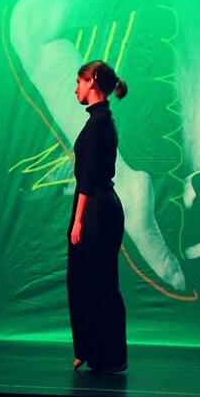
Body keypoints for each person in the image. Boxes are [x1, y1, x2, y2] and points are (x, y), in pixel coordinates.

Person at [68, 60, 128, 374]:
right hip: (99, 207)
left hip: (97, 209)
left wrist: (78, 220)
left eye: (78, 82)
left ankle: (110, 356)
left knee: (99, 283)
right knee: (86, 281)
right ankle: (91, 349)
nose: (75, 89)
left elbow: (89, 176)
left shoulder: (99, 122)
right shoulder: (100, 119)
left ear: (91, 80)